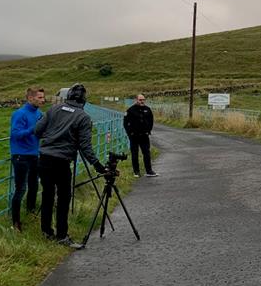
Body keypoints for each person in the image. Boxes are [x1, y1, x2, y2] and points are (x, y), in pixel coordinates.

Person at [35, 83, 107, 248]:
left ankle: (46, 232)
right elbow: (85, 147)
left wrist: (52, 137)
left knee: (47, 195)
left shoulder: (53, 109)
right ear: (84, 100)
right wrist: (98, 166)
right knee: (63, 198)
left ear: (68, 97)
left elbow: (37, 130)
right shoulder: (83, 117)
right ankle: (61, 236)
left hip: (44, 158)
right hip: (62, 161)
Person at [9, 87, 46, 231]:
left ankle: (30, 213)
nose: (43, 100)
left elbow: (40, 132)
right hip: (21, 156)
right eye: (40, 97)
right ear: (30, 98)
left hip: (34, 154)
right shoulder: (19, 114)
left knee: (34, 186)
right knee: (21, 189)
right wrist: (34, 129)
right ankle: (16, 223)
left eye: (43, 97)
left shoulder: (40, 114)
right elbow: (16, 134)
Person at [123, 94, 158, 178]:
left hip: (144, 136)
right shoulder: (130, 110)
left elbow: (151, 121)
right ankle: (136, 172)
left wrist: (148, 130)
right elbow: (125, 123)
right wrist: (129, 133)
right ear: (136, 100)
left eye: (143, 100)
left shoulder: (148, 110)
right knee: (134, 154)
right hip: (134, 136)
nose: (142, 101)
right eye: (140, 100)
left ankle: (149, 171)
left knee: (146, 153)